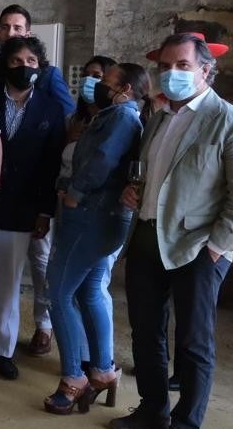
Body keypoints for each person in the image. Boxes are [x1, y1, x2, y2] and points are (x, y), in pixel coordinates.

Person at [111, 33, 233, 429]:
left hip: (198, 246)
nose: (171, 74)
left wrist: (216, 247)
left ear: (206, 71)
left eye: (182, 66)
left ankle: (185, 422)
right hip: (147, 238)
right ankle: (152, 409)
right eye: (164, 67)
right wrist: (135, 193)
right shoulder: (160, 119)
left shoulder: (232, 124)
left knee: (194, 342)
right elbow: (155, 178)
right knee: (146, 333)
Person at [0, 3, 73, 360]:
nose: (23, 67)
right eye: (16, 62)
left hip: (24, 205)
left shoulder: (50, 103)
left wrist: (45, 210)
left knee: (12, 283)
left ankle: (4, 350)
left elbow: (52, 158)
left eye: (31, 62)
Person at [44, 62, 147, 414]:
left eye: (106, 80)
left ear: (126, 90)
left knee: (57, 293)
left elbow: (101, 161)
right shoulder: (111, 115)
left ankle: (74, 378)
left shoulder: (120, 118)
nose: (97, 84)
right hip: (104, 216)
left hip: (91, 215)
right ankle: (103, 371)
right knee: (88, 290)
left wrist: (74, 191)